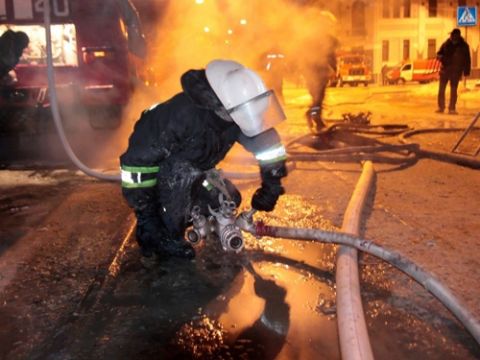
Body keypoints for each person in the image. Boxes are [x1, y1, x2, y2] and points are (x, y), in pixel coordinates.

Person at [120, 59, 288, 266]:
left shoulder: (236, 110)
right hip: (166, 172)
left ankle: (191, 210)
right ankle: (163, 232)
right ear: (222, 106)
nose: (249, 120)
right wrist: (147, 216)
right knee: (170, 221)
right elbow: (136, 165)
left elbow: (267, 144)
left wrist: (272, 184)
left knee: (230, 199)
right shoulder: (180, 117)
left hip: (199, 168)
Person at [304, 35, 338, 134]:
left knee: (318, 100)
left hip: (317, 76)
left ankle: (315, 117)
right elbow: (330, 58)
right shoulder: (322, 45)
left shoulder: (312, 43)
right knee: (317, 100)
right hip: (316, 76)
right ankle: (314, 117)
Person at [436, 28, 471, 115]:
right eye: (451, 35)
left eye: (453, 35)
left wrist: (466, 71)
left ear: (457, 36)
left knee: (453, 90)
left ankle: (452, 108)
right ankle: (441, 107)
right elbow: (439, 53)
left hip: (456, 71)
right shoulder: (446, 43)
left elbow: (467, 59)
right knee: (441, 90)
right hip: (445, 70)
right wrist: (440, 57)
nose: (451, 36)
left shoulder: (464, 46)